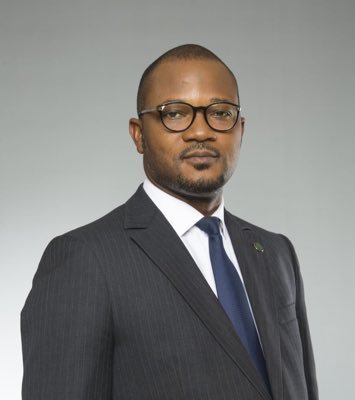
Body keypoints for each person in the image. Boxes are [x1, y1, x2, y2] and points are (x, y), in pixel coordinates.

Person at [21, 44, 318, 400]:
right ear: (138, 134)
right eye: (175, 114)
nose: (201, 132)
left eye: (220, 113)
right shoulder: (86, 260)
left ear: (240, 129)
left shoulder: (275, 252)